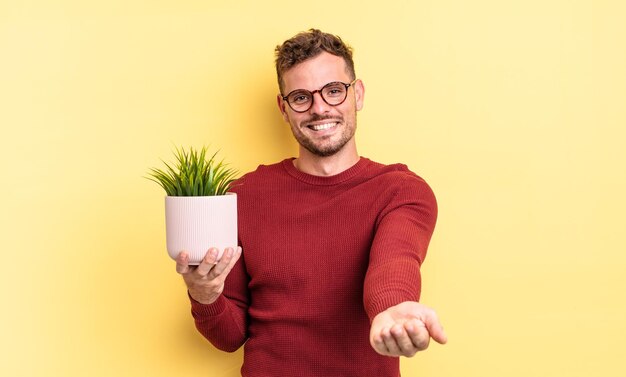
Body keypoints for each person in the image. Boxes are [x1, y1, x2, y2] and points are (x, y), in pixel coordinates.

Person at [175, 29, 447, 377]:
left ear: (357, 94)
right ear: (283, 108)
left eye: (334, 91)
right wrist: (205, 295)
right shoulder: (242, 195)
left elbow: (394, 262)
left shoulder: (400, 191)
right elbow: (230, 338)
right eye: (301, 97)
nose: (320, 109)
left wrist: (391, 309)